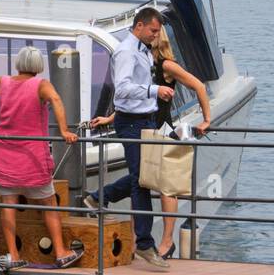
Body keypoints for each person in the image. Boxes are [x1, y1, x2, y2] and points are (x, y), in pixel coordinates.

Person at [90, 26, 211, 259]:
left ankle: (167, 241)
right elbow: (132, 99)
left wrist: (207, 119)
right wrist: (111, 118)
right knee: (141, 182)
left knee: (165, 187)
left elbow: (199, 86)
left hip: (161, 131)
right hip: (142, 129)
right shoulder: (141, 65)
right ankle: (136, 237)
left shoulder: (164, 65)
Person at [0, 46, 81, 272]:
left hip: (5, 154)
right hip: (32, 157)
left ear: (19, 63)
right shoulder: (41, 85)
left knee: (8, 205)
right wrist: (64, 130)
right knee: (49, 204)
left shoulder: (4, 82)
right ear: (38, 66)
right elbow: (56, 100)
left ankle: (13, 255)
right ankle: (61, 252)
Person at [82, 6, 175, 270]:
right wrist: (154, 90)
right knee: (141, 183)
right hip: (132, 123)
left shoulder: (143, 50)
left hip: (145, 120)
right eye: (153, 31)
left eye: (157, 32)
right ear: (140, 26)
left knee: (145, 176)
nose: (156, 36)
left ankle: (100, 196)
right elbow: (121, 90)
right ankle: (145, 243)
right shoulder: (126, 51)